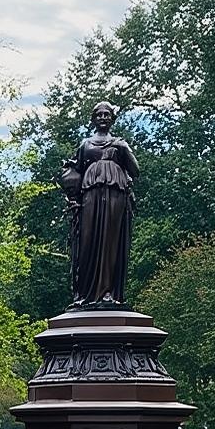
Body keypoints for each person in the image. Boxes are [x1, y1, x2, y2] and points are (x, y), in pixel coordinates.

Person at [60, 101, 140, 307]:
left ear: (112, 119)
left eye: (107, 114)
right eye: (99, 115)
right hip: (90, 197)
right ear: (93, 119)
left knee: (110, 242)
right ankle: (85, 294)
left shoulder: (120, 144)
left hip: (116, 195)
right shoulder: (85, 145)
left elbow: (135, 171)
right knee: (88, 241)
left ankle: (109, 293)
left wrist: (124, 151)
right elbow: (73, 174)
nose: (103, 118)